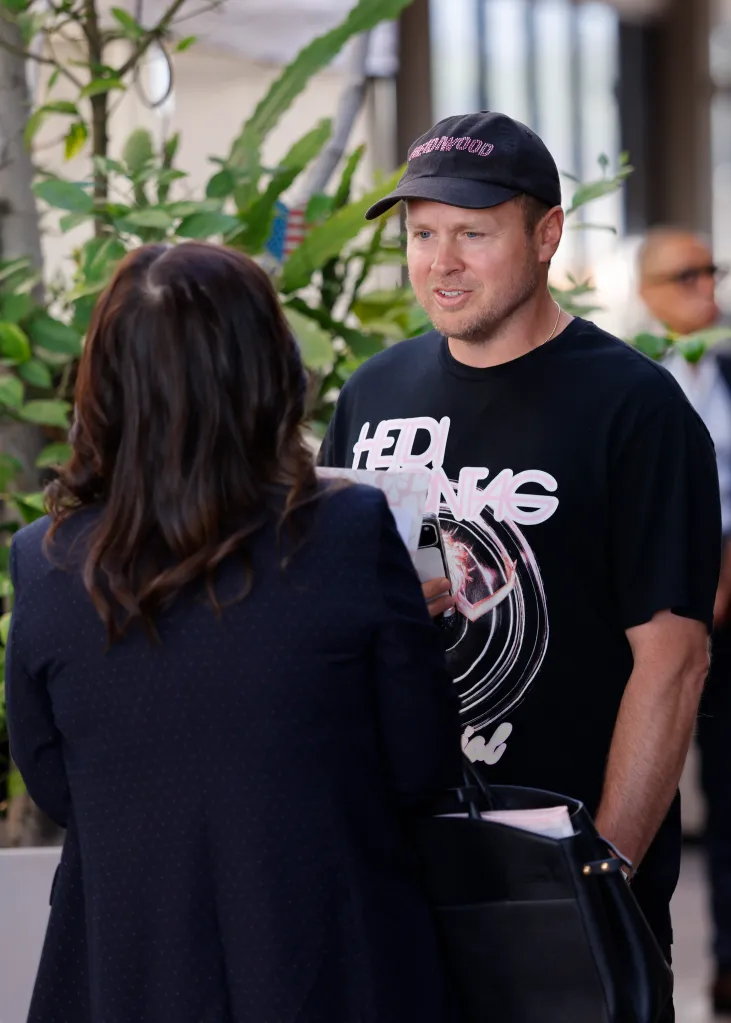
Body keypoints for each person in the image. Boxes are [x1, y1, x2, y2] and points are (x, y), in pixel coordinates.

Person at [319, 111, 722, 1022]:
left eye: (472, 232)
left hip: (562, 883)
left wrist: (599, 875)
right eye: (421, 234)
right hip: (397, 874)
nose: (440, 261)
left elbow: (673, 657)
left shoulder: (634, 408)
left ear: (545, 236)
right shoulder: (373, 394)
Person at [6, 242, 463, 1023]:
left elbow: (58, 784)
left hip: (125, 972)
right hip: (332, 969)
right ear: (267, 371)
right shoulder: (349, 531)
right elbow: (420, 767)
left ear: (104, 382)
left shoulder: (43, 562)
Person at [639, 227, 731, 1014]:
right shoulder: (630, 384)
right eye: (685, 274)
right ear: (645, 292)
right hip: (664, 617)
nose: (706, 286)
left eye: (713, 271)